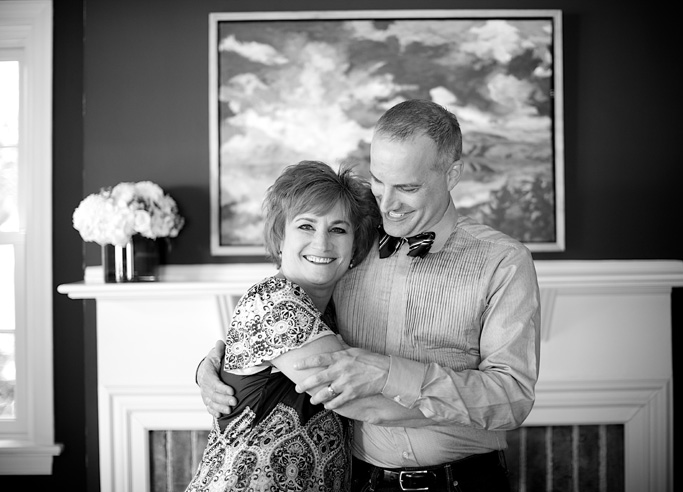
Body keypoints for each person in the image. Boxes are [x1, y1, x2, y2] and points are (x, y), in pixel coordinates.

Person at [198, 100, 541, 492]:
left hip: (466, 482)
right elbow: (284, 319)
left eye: (408, 187)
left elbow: (512, 399)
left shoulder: (502, 261)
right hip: (362, 482)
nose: (388, 204)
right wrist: (219, 364)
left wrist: (391, 374)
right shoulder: (350, 245)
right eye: (379, 181)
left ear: (452, 174)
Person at [186, 161, 427, 492]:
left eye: (338, 230)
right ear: (280, 238)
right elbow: (362, 402)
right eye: (306, 226)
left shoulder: (333, 312)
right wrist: (472, 409)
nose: (322, 243)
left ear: (354, 248)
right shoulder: (273, 302)